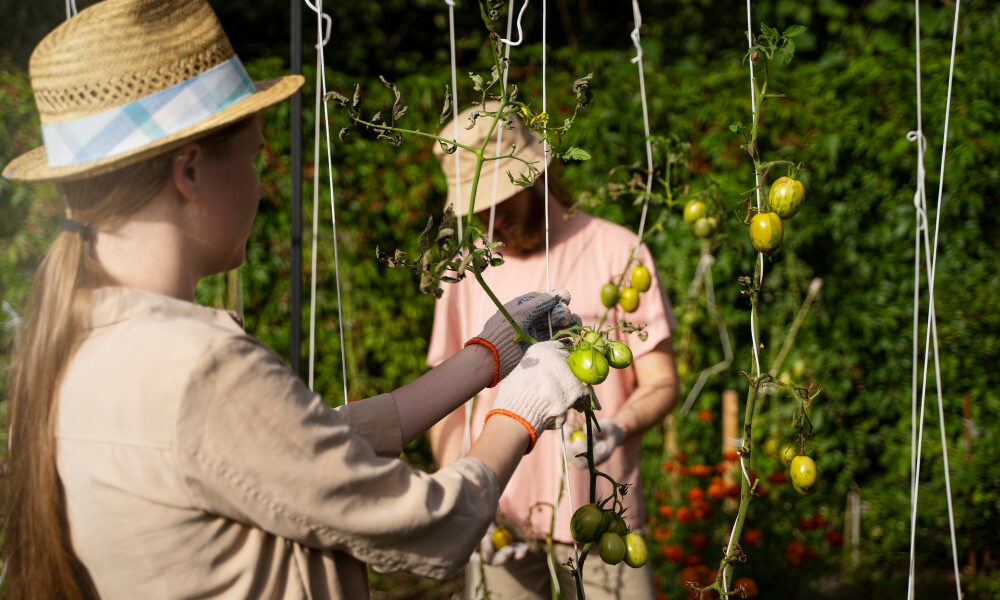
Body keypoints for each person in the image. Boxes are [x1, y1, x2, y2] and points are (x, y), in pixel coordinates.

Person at [0, 2, 591, 599]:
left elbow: (303, 452)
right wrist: (521, 410)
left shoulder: (82, 341)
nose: (261, 184)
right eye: (255, 156)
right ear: (189, 172)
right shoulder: (199, 367)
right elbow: (428, 523)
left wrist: (487, 356)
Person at [427, 103, 680, 599]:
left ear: (534, 176)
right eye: (478, 210)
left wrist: (619, 427)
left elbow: (662, 382)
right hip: (497, 520)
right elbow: (444, 408)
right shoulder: (466, 269)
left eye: (502, 203)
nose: (491, 220)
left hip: (603, 522)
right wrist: (460, 500)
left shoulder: (617, 251)